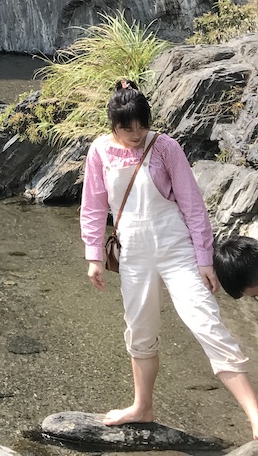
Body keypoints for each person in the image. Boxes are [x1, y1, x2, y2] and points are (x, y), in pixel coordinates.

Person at [82, 79, 258, 436]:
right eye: (127, 128)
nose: (136, 134)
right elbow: (94, 206)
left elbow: (193, 205)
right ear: (113, 124)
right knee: (140, 330)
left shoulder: (165, 146)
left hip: (178, 249)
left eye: (142, 126)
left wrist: (204, 259)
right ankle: (142, 407)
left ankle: (255, 414)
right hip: (134, 254)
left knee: (206, 322)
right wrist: (94, 257)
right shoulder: (99, 151)